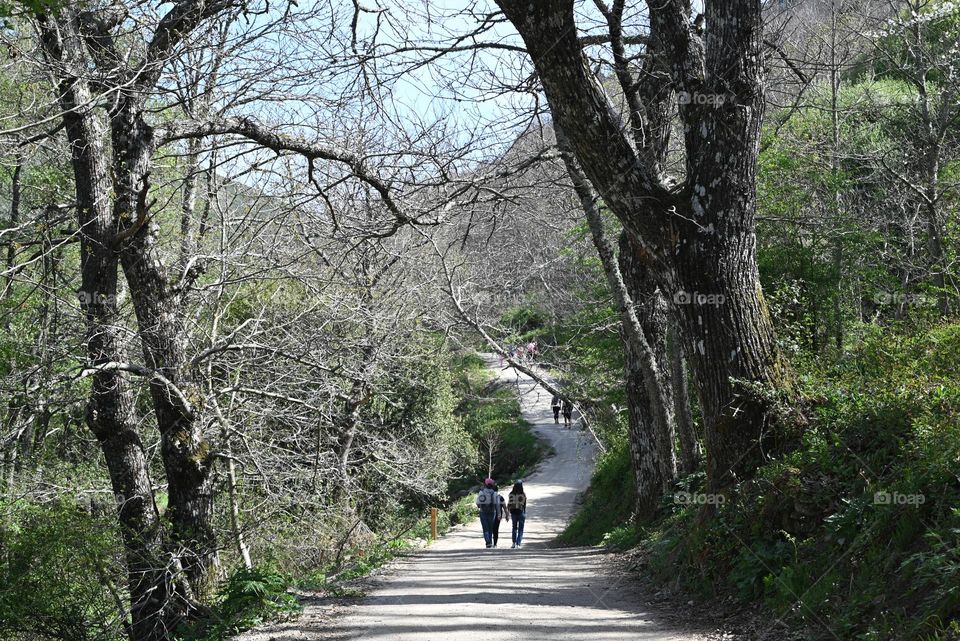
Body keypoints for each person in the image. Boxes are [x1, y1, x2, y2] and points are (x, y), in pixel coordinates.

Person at [475, 478, 500, 548]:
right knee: (490, 528)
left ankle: (488, 542)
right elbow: (497, 504)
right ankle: (490, 542)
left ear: (485, 484)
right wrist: (499, 514)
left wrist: (482, 506)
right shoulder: (494, 493)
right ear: (492, 485)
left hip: (483, 512)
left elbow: (477, 503)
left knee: (485, 528)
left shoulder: (481, 492)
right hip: (492, 512)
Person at [508, 480, 527, 548]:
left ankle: (513, 543)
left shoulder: (511, 493)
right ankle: (518, 543)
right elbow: (524, 504)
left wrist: (508, 512)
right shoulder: (523, 494)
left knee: (514, 528)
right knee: (521, 528)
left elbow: (509, 504)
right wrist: (524, 512)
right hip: (521, 512)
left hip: (513, 513)